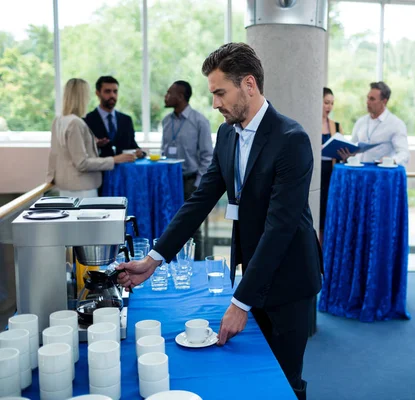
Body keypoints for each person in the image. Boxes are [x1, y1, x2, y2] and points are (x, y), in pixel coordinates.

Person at [116, 43, 322, 400]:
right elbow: (199, 201)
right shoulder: (227, 133)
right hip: (252, 269)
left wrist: (239, 303)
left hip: (289, 277)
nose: (214, 104)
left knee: (285, 383)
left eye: (219, 93)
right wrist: (153, 260)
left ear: (249, 85)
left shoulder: (292, 139)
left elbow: (280, 228)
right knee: (251, 377)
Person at [46, 78, 136, 198]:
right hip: (82, 188)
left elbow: (57, 153)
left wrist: (93, 145)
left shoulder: (58, 120)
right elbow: (82, 163)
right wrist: (114, 159)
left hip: (65, 186)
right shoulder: (76, 123)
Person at [162, 80, 214, 199]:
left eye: (169, 93)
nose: (166, 97)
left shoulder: (200, 121)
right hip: (169, 180)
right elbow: (163, 151)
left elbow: (207, 155)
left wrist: (198, 184)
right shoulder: (166, 121)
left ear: (180, 97)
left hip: (191, 181)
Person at [341, 81, 409, 165]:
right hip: (359, 173)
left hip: (380, 174)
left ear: (384, 101)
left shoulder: (396, 124)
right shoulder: (361, 122)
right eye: (368, 98)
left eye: (372, 99)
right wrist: (348, 155)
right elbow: (352, 146)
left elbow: (404, 154)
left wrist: (391, 160)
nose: (367, 102)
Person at [84, 76, 144, 158]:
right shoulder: (87, 120)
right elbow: (83, 151)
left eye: (115, 91)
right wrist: (96, 145)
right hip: (99, 169)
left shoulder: (126, 120)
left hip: (124, 169)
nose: (112, 95)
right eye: (107, 91)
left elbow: (132, 146)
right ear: (97, 93)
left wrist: (140, 153)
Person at [320, 87, 343, 241]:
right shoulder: (311, 124)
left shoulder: (336, 125)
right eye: (326, 102)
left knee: (329, 215)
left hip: (331, 174)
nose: (329, 107)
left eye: (332, 103)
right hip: (317, 173)